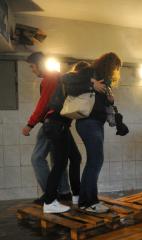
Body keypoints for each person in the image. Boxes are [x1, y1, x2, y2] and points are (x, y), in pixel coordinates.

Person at [21, 52, 70, 204]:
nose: (32, 70)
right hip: (62, 124)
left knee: (37, 158)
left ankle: (50, 193)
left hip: (51, 123)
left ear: (40, 64)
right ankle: (64, 191)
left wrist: (30, 124)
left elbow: (43, 104)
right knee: (57, 159)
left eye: (32, 67)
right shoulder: (60, 77)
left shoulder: (49, 78)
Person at [74, 52, 120, 213]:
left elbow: (100, 101)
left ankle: (85, 202)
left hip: (96, 123)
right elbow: (66, 80)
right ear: (108, 64)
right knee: (95, 160)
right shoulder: (89, 72)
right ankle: (90, 202)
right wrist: (92, 84)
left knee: (94, 161)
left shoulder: (104, 79)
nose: (115, 71)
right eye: (115, 67)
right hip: (88, 122)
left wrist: (110, 99)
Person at [41, 62, 88, 213]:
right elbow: (71, 82)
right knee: (60, 163)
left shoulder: (71, 81)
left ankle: (76, 194)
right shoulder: (69, 78)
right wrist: (91, 82)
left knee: (75, 157)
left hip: (59, 125)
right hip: (56, 124)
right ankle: (49, 202)